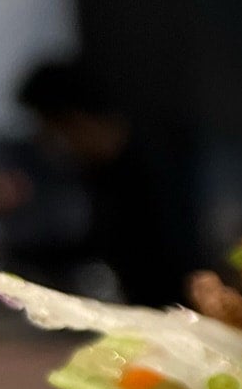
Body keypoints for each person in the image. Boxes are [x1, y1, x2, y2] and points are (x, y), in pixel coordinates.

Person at [13, 58, 174, 305]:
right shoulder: (103, 172)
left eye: (52, 131)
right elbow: (99, 244)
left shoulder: (160, 165)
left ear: (76, 121)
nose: (51, 145)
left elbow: (170, 266)